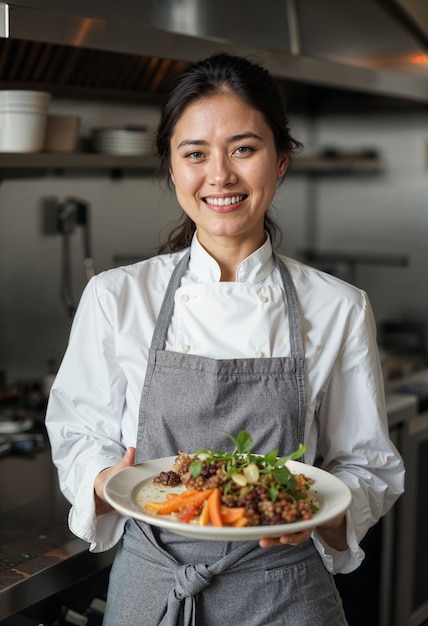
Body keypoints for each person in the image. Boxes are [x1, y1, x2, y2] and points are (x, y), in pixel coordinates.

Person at [46, 52, 404, 626]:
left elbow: (367, 466)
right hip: (153, 587)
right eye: (195, 154)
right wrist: (106, 477)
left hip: (285, 592)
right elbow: (78, 432)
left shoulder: (337, 306)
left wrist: (316, 515)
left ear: (281, 159)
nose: (220, 175)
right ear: (171, 166)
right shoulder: (115, 298)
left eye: (244, 148)